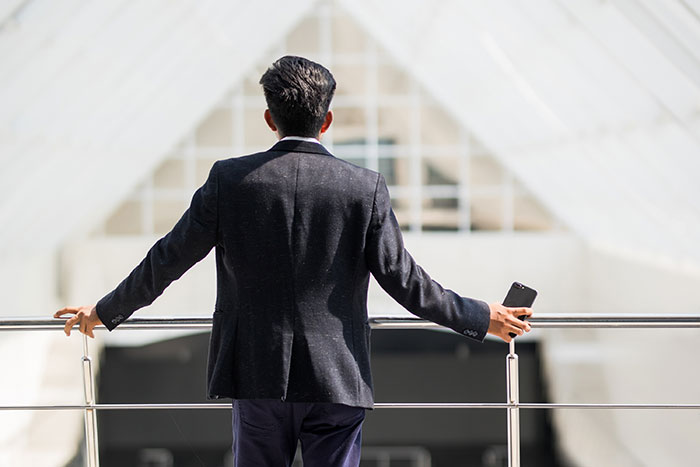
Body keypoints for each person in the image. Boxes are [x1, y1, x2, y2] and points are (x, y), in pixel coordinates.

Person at [55, 55, 533, 467]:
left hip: (256, 374)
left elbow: (168, 259)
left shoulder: (229, 181)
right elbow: (405, 282)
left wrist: (103, 311)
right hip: (337, 378)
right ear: (326, 120)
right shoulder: (363, 187)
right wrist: (480, 316)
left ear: (269, 118)